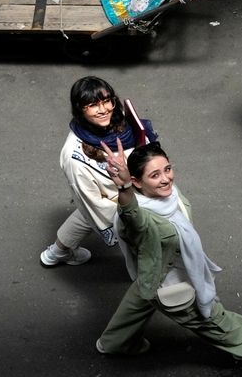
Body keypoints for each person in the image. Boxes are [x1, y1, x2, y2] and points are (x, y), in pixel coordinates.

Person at [95, 139, 242, 364]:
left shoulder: (167, 197)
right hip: (170, 282)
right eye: (154, 176)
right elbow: (131, 216)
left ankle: (115, 342)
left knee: (143, 294)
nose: (166, 179)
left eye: (167, 169)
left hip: (153, 270)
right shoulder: (139, 218)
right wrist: (123, 188)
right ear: (136, 182)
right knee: (209, 318)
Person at [40, 76, 158, 267]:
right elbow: (93, 202)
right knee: (146, 237)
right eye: (93, 105)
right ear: (79, 109)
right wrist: (133, 218)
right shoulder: (73, 156)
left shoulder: (116, 114)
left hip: (129, 187)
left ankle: (57, 252)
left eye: (106, 101)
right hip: (117, 200)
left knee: (85, 216)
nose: (103, 110)